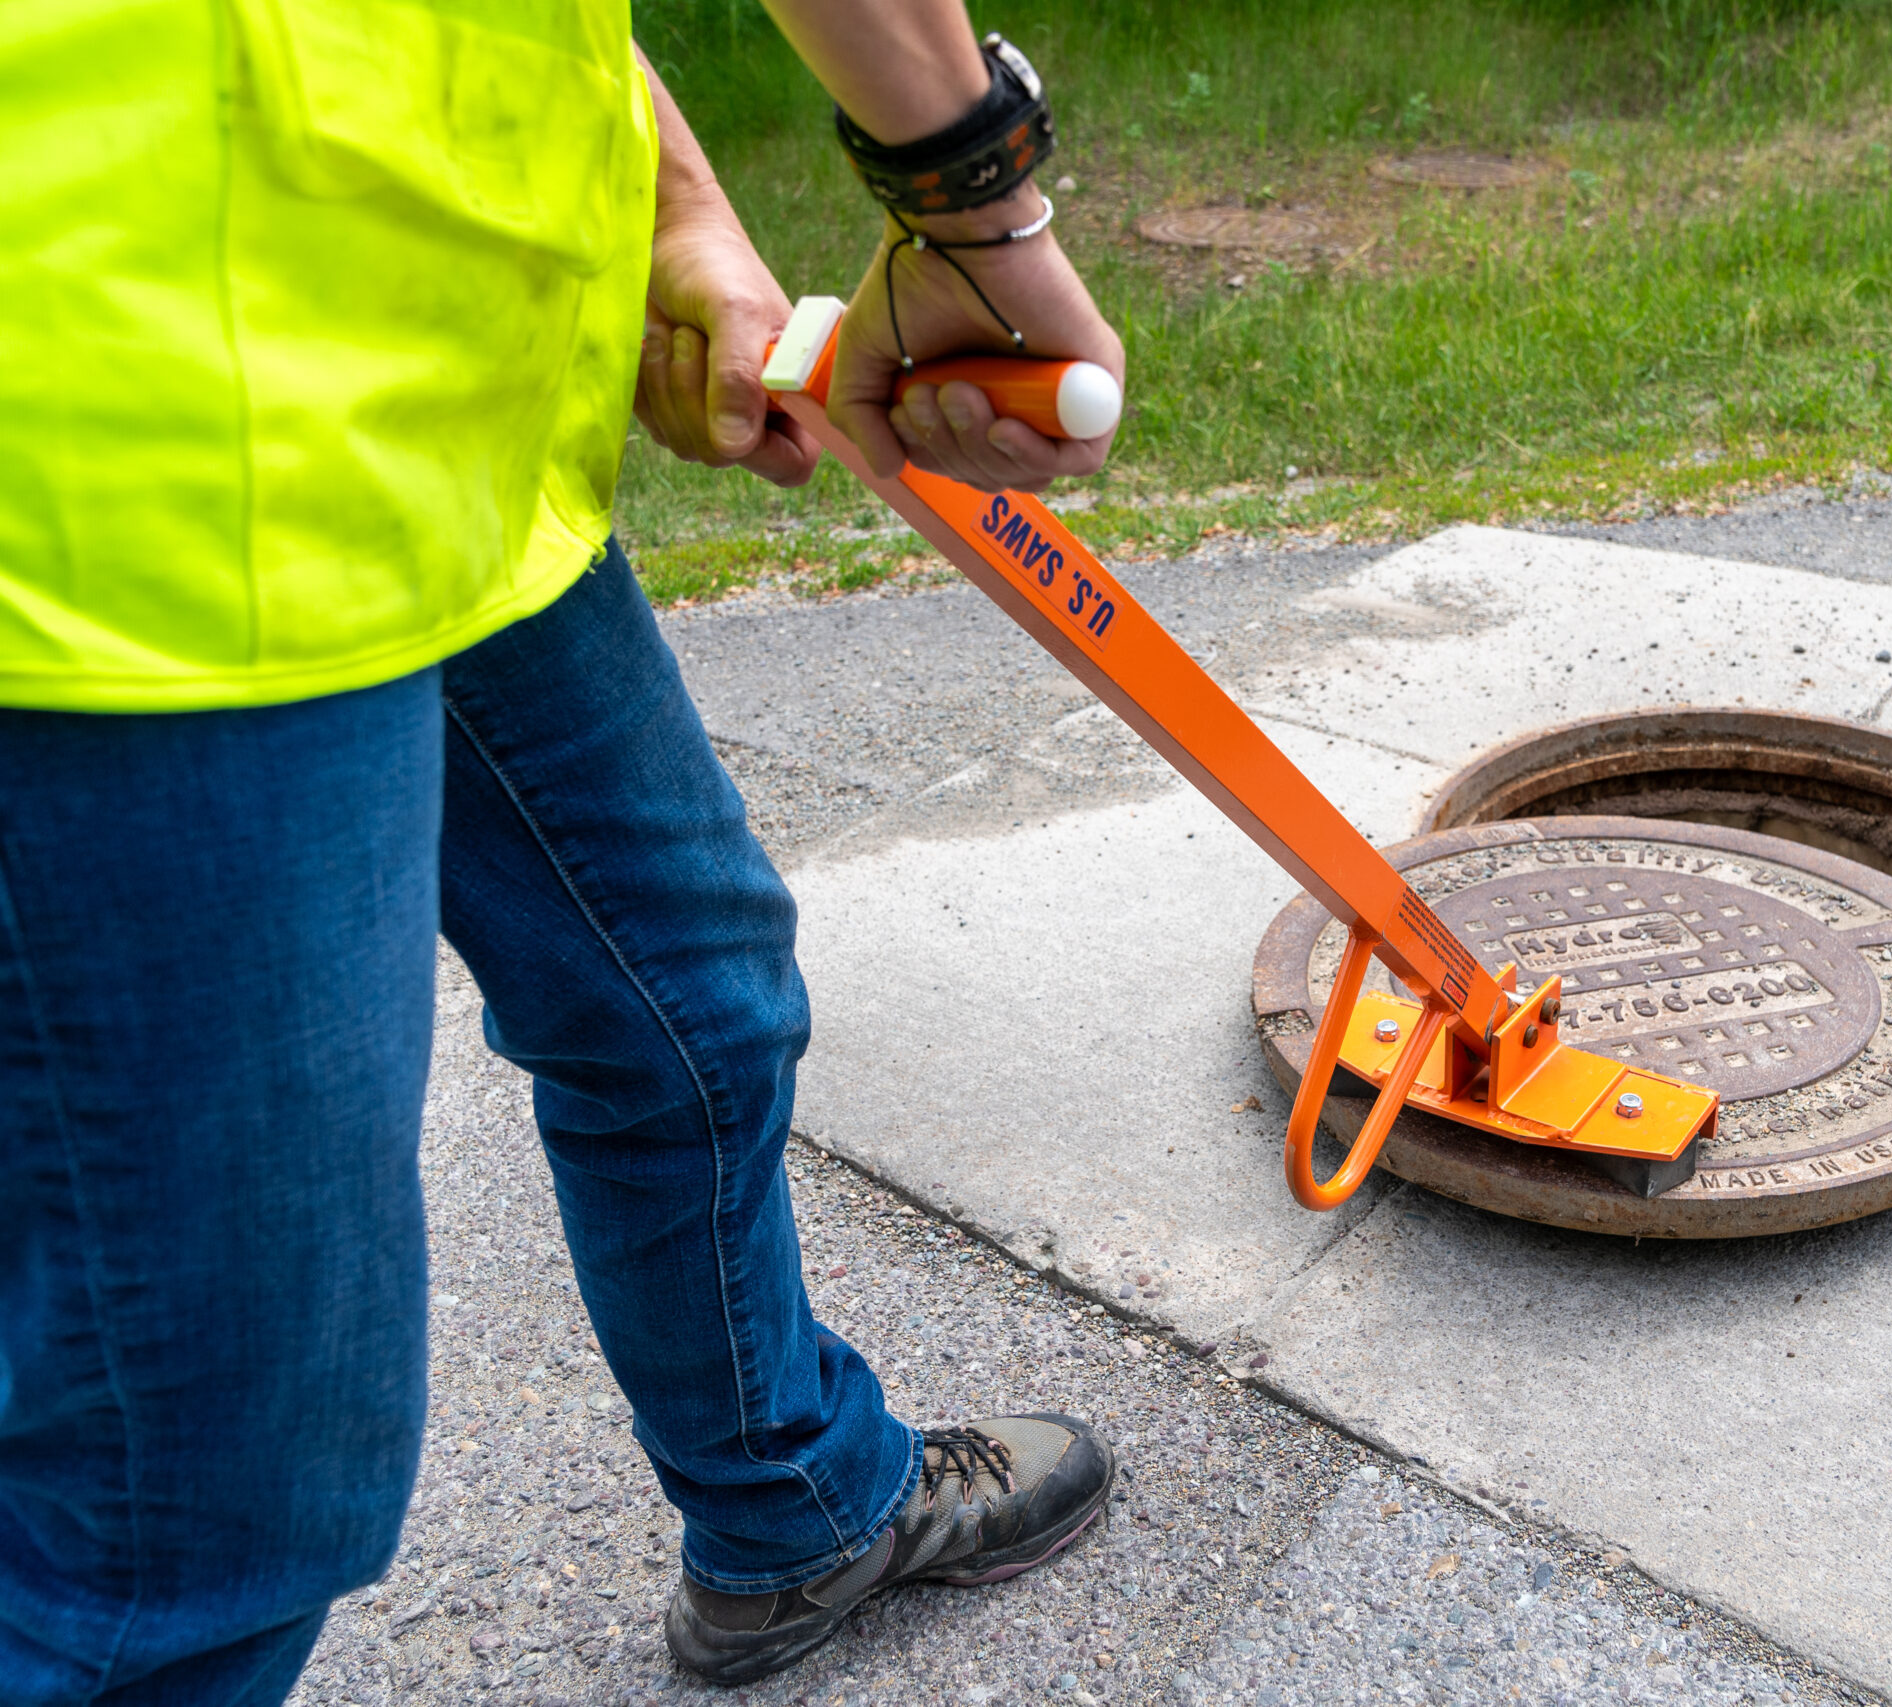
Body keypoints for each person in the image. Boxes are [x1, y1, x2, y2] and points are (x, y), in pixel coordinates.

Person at [0, 2, 1125, 1698]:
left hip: (429, 439)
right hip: (126, 509)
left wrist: (677, 211)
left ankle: (792, 1507)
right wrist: (975, 203)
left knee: (688, 995)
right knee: (190, 1502)